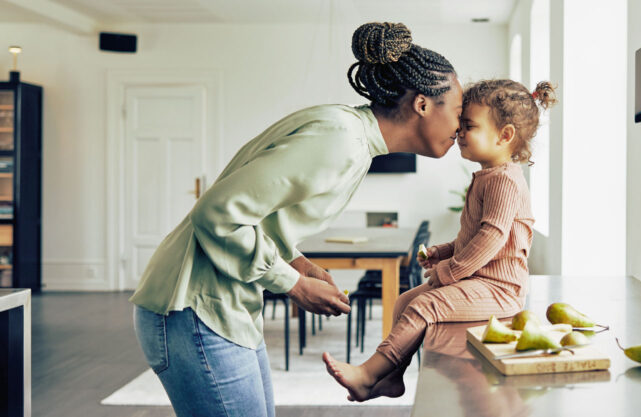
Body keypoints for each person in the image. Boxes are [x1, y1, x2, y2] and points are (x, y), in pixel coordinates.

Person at [129, 22, 463, 417]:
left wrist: (298, 264)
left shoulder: (352, 138)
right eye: (458, 112)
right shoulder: (340, 139)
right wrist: (292, 285)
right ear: (422, 105)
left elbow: (261, 216)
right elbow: (217, 214)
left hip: (219, 308)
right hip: (193, 308)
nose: (461, 128)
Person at [323, 79, 557, 402]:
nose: (459, 132)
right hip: (479, 280)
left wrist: (450, 270)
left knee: (424, 306)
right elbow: (473, 237)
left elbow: (491, 238)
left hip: (501, 289)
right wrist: (443, 251)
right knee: (405, 301)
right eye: (461, 125)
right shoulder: (488, 176)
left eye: (469, 126)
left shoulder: (504, 181)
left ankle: (368, 374)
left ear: (505, 136)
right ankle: (393, 376)